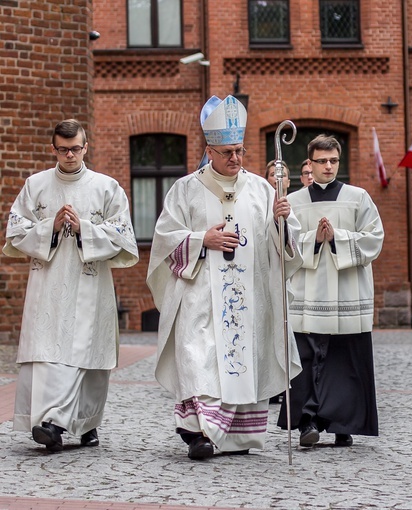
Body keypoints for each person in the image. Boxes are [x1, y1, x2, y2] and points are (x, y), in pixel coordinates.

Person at [147, 95, 303, 460]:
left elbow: (284, 246)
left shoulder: (264, 190)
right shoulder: (185, 189)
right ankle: (200, 434)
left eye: (240, 150)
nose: (235, 158)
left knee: (239, 360)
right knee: (197, 358)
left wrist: (282, 220)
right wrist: (204, 239)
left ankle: (231, 437)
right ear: (209, 150)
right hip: (199, 294)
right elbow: (165, 238)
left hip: (248, 297)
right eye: (227, 151)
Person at [3, 119, 138, 452]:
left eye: (75, 148)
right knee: (49, 355)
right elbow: (16, 232)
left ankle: (86, 423)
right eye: (62, 150)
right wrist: (50, 226)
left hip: (89, 283)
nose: (69, 155)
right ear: (54, 149)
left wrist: (84, 229)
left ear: (85, 147)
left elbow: (123, 236)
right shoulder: (36, 185)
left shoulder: (107, 187)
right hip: (48, 283)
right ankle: (50, 422)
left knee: (84, 355)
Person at [278, 134, 384, 447]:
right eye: (322, 161)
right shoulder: (294, 202)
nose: (328, 166)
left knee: (345, 359)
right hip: (308, 295)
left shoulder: (358, 197)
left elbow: (375, 238)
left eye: (333, 161)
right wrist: (313, 239)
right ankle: (307, 422)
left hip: (347, 293)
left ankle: (343, 423)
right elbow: (284, 247)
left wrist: (337, 238)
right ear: (309, 163)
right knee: (308, 359)